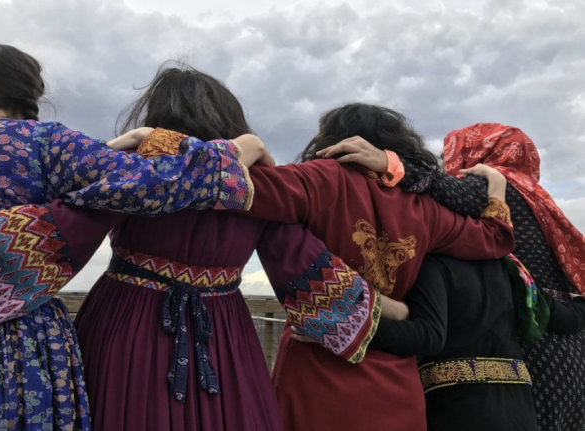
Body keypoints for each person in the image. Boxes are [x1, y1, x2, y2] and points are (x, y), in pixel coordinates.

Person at [0, 66, 392, 431]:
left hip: (128, 322)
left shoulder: (133, 170)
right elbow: (303, 266)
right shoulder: (257, 185)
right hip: (225, 332)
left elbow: (70, 223)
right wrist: (396, 310)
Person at [0, 42, 262, 431]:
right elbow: (156, 183)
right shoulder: (46, 144)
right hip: (20, 340)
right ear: (29, 92)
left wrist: (110, 147)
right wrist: (233, 150)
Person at [130, 103, 518, 431]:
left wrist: (163, 141)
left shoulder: (318, 181)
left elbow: (215, 181)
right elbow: (495, 238)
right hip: (398, 385)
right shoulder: (428, 210)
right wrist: (496, 187)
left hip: (318, 373)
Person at [327, 122, 585, 430]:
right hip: (569, 349)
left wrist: (390, 163)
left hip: (533, 349)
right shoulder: (539, 199)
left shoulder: (499, 185)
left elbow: (450, 193)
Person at [365, 253, 585, 431]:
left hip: (459, 408)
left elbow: (427, 335)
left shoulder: (431, 264)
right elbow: (562, 318)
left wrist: (354, 328)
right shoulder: (512, 270)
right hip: (520, 410)